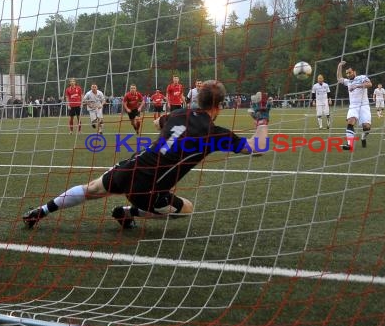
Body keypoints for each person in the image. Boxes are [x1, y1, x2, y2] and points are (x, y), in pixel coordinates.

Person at [22, 80, 270, 229]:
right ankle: (127, 212)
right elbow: (258, 148)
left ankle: (40, 211)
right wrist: (262, 119)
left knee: (92, 189)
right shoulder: (213, 132)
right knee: (187, 208)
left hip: (134, 164)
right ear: (218, 107)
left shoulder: (177, 114)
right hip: (149, 189)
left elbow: (156, 124)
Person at [336, 61, 373, 150]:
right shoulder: (347, 81)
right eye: (347, 73)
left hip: (364, 105)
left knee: (366, 127)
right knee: (350, 121)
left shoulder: (362, 77)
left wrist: (357, 86)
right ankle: (349, 144)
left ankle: (363, 137)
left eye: (350, 72)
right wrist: (339, 66)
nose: (348, 75)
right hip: (353, 106)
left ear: (354, 72)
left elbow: (370, 84)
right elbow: (339, 78)